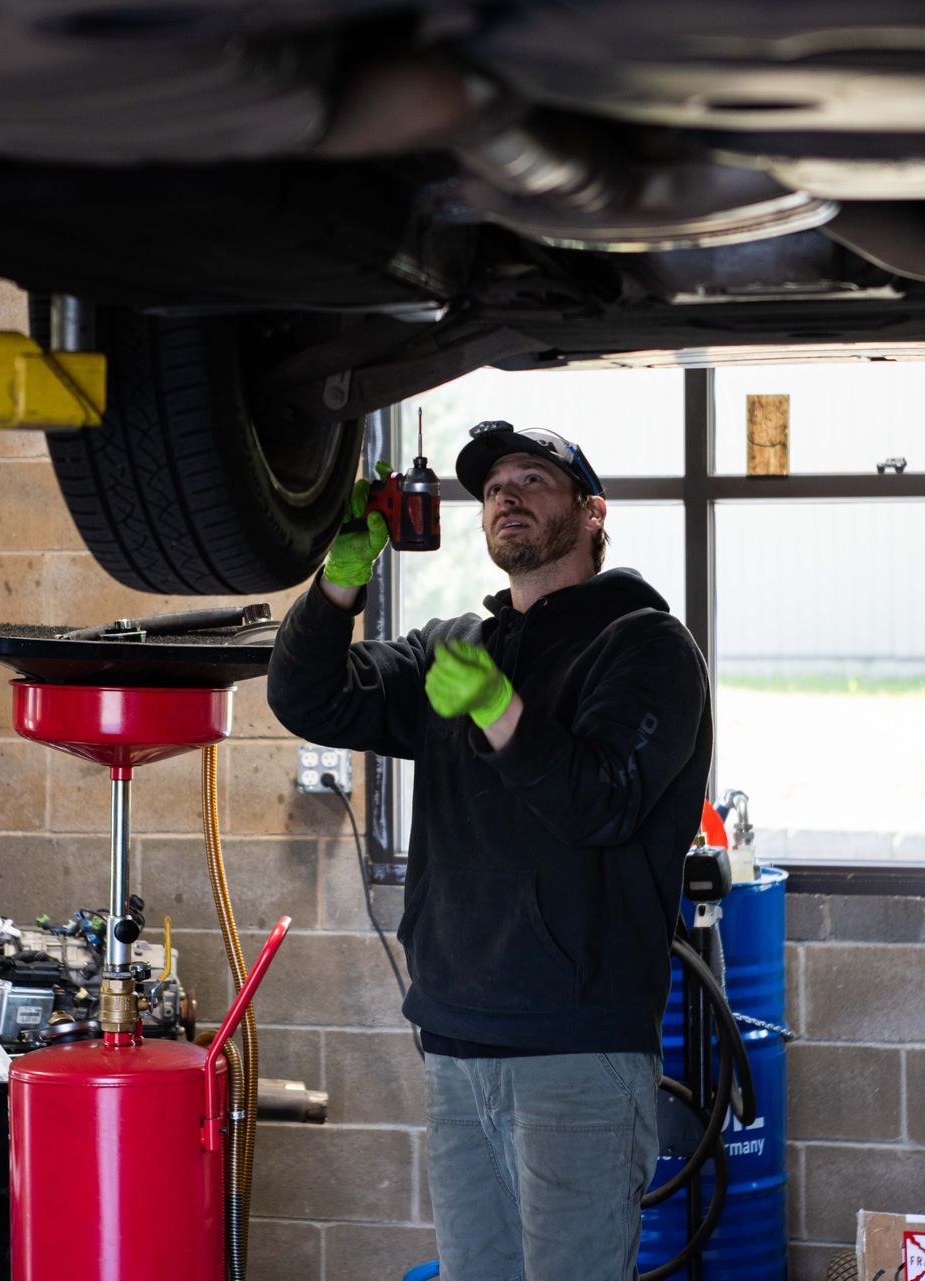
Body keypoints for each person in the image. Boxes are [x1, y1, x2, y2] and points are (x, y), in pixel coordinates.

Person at [267, 420, 713, 1281]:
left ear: (592, 512)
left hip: (576, 1051)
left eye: (534, 479)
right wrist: (338, 583)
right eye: (495, 485)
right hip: (456, 1041)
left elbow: (600, 802)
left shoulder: (648, 645)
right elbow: (309, 698)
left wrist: (500, 710)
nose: (507, 493)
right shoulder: (455, 648)